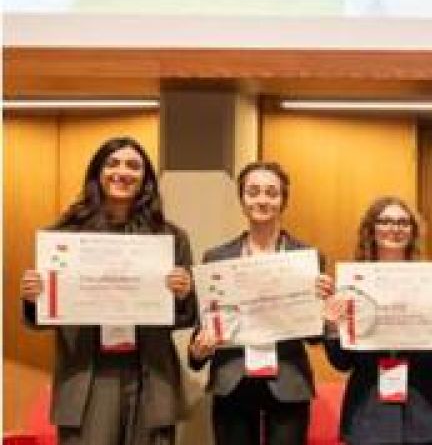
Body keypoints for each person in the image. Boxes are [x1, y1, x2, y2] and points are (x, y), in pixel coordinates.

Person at [19, 136, 196, 445]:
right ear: (97, 173)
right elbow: (42, 319)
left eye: (133, 166)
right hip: (87, 374)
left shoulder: (169, 238)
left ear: (146, 178)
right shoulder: (64, 236)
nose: (122, 172)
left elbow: (185, 317)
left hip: (149, 374)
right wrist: (35, 298)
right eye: (112, 164)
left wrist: (183, 295)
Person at [187, 161, 333, 445]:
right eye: (253, 192)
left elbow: (315, 337)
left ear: (283, 200)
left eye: (271, 193)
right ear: (242, 199)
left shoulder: (307, 258)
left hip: (288, 381)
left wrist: (322, 305)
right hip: (232, 380)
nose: (262, 200)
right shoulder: (217, 258)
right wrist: (197, 351)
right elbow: (205, 326)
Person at [324, 195, 432, 445]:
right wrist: (333, 327)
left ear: (413, 231)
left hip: (428, 413)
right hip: (369, 416)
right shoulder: (351, 284)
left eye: (403, 222)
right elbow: (342, 363)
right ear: (371, 229)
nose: (394, 228)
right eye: (385, 221)